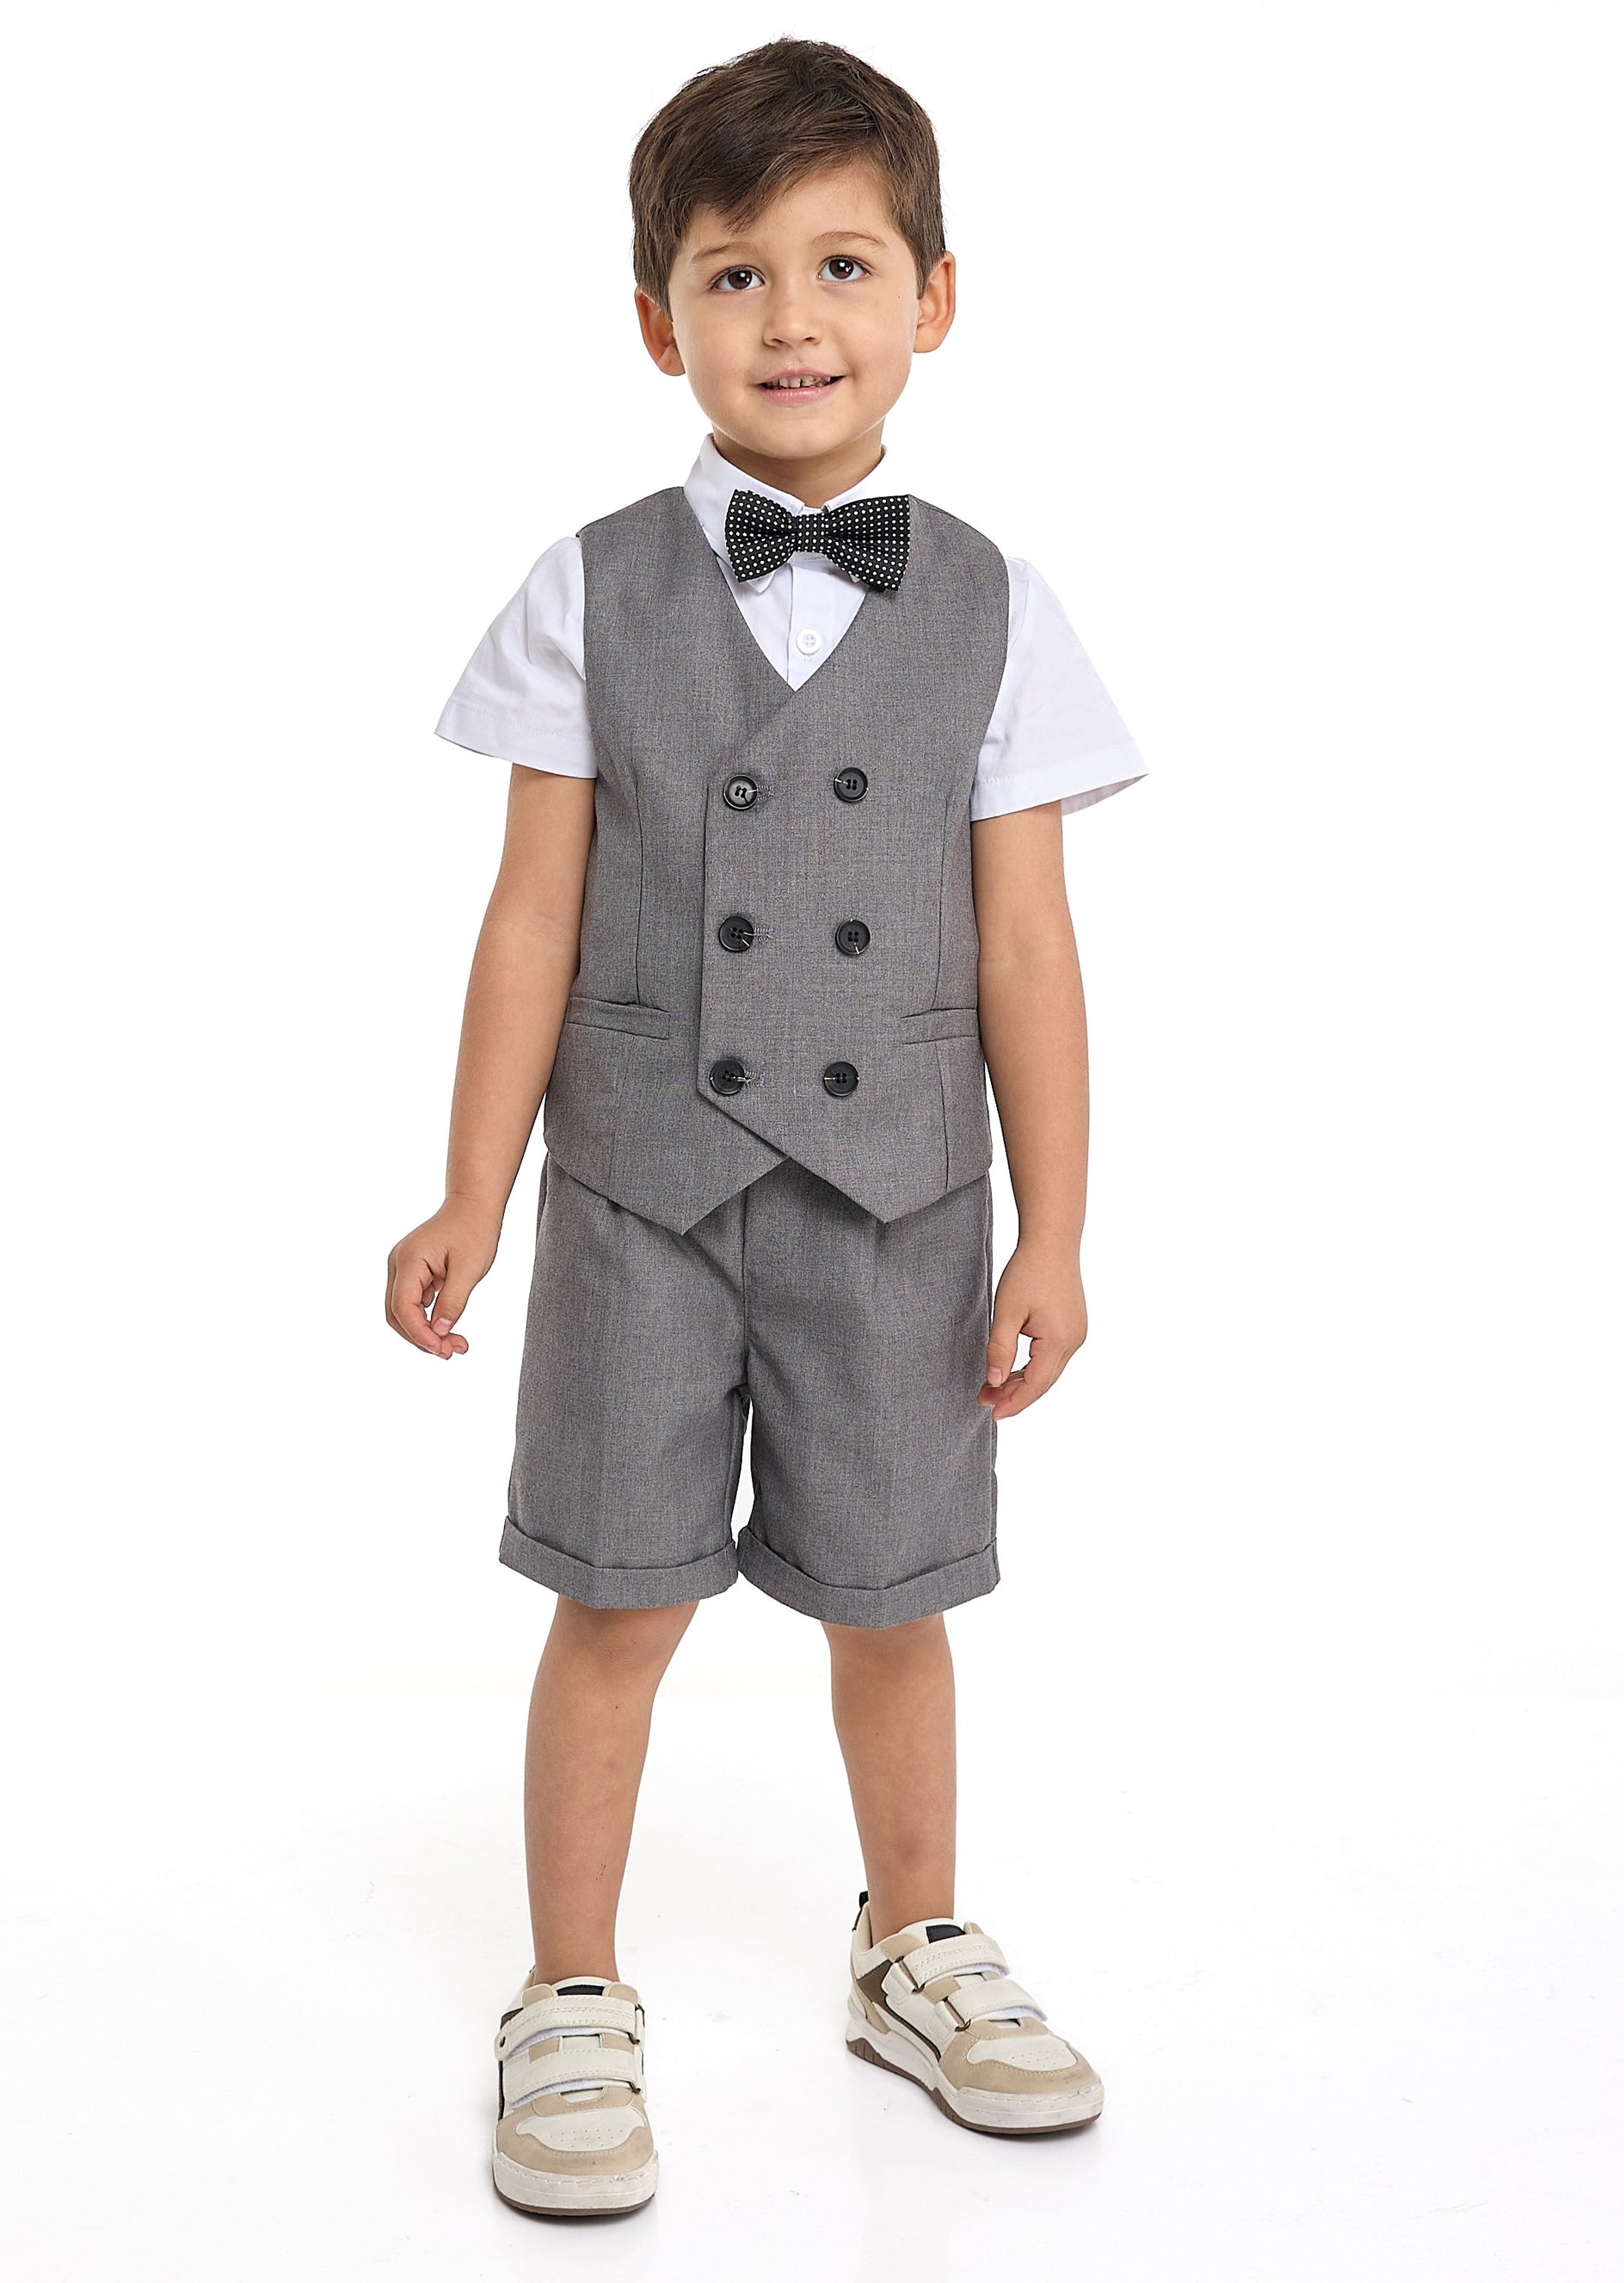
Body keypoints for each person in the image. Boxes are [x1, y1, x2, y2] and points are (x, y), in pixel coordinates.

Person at [385, 34, 1147, 2217]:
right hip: (640, 1185)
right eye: (733, 276)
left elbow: (1027, 946)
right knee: (615, 1597)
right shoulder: (589, 584)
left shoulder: (993, 601)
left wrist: (1054, 1225)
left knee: (890, 1597)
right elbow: (533, 914)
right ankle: (568, 1987)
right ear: (660, 323)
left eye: (841, 265)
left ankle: (914, 1944)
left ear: (932, 296)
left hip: (901, 1195)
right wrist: (473, 1186)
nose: (791, 319)